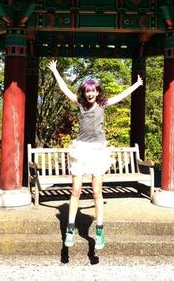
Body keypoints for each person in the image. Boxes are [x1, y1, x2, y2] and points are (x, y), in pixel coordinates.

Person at [48, 60, 143, 250]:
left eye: (93, 90)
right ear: (84, 92)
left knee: (96, 192)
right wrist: (56, 71)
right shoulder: (80, 104)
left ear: (97, 92)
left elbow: (121, 96)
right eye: (87, 91)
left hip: (98, 150)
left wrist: (136, 85)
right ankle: (70, 228)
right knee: (75, 191)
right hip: (81, 149)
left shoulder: (103, 104)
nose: (90, 93)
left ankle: (99, 230)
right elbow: (65, 89)